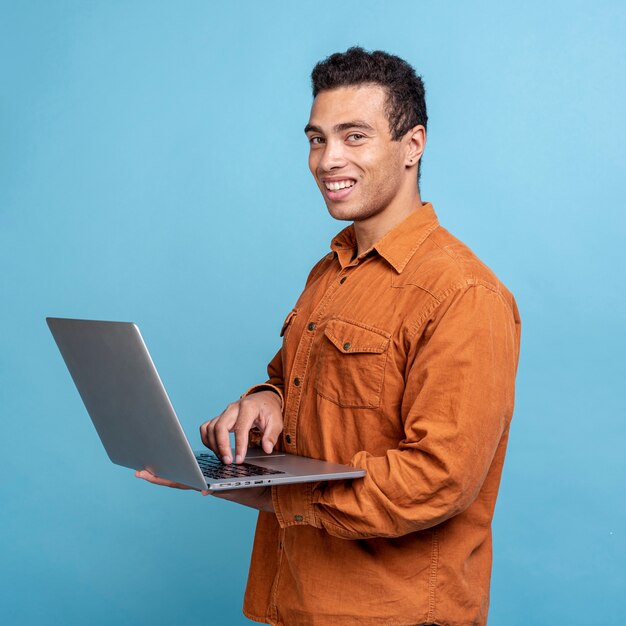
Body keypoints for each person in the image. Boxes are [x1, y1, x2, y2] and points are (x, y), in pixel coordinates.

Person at [137, 47, 521, 626]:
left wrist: (289, 495)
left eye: (354, 136)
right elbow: (296, 386)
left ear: (412, 144)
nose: (327, 159)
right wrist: (263, 405)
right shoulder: (331, 271)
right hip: (296, 599)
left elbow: (438, 477)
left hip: (396, 613)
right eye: (317, 139)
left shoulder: (464, 293)